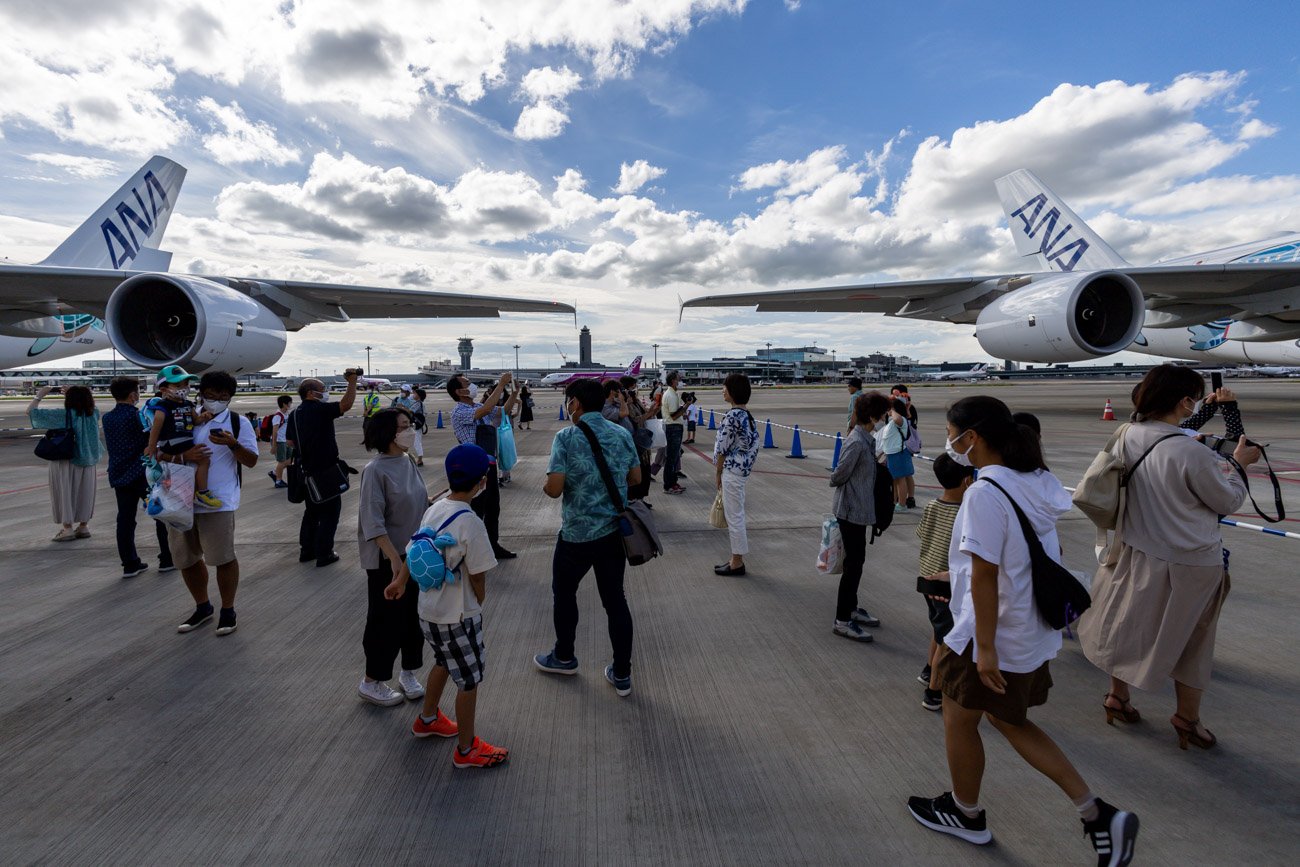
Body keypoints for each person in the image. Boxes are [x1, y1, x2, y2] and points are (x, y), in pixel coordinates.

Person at [907, 396, 1138, 864]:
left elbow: (988, 575)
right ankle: (1094, 813)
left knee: (959, 717)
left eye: (951, 432)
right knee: (1006, 719)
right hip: (1029, 627)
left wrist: (985, 648)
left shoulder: (983, 493)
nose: (949, 442)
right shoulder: (1034, 480)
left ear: (972, 438)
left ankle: (966, 814)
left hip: (988, 632)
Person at [1077, 364, 1257, 751]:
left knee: (1125, 625)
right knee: (1194, 641)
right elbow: (1227, 500)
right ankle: (1187, 720)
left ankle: (1118, 697)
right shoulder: (1189, 452)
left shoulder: (1128, 433)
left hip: (1135, 549)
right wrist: (1240, 466)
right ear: (1185, 401)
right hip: (1190, 561)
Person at [401, 443, 509, 769]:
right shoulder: (471, 522)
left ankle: (428, 718)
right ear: (481, 481)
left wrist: (398, 582)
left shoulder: (435, 507)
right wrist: (479, 601)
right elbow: (478, 574)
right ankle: (466, 750)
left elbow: (415, 546)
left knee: (443, 661)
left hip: (428, 610)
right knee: (469, 679)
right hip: (458, 614)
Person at [534, 379, 641, 697]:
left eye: (569, 402)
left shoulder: (566, 437)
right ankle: (621, 674)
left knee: (565, 595)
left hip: (576, 536)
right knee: (615, 601)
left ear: (576, 404)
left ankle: (564, 657)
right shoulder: (621, 433)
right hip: (612, 534)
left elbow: (554, 489)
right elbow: (635, 478)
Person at [169, 371, 260, 636]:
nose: (217, 400)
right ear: (201, 393)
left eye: (224, 396)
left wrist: (233, 445)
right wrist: (186, 454)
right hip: (181, 498)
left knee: (222, 557)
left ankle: (228, 610)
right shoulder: (184, 416)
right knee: (186, 559)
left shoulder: (237, 422)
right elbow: (158, 449)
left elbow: (251, 461)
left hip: (217, 501)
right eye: (211, 395)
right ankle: (202, 606)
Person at [356, 407, 429, 707]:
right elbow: (373, 522)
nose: (409, 430)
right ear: (388, 432)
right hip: (389, 558)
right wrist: (395, 561)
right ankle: (372, 680)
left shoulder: (407, 461)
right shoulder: (375, 470)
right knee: (385, 620)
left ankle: (408, 672)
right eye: (403, 426)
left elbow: (419, 503)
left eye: (409, 425)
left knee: (414, 617)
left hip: (414, 554)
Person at [914, 454, 975, 710]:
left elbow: (922, 535)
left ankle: (929, 670)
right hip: (946, 585)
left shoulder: (931, 506)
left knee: (938, 631)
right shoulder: (964, 514)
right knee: (948, 639)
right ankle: (934, 692)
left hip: (926, 579)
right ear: (967, 481)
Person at [828, 391, 889, 642]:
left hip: (860, 510)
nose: (885, 418)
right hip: (850, 511)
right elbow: (838, 475)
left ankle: (851, 608)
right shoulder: (856, 442)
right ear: (872, 416)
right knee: (853, 566)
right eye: (883, 414)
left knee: (857, 562)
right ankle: (843, 620)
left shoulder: (867, 438)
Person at [102, 376, 173, 576]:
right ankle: (167, 558)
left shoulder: (107, 418)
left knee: (125, 519)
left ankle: (130, 563)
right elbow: (151, 439)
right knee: (160, 514)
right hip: (143, 473)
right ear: (133, 395)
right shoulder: (138, 415)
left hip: (119, 473)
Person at [287, 370, 359, 567]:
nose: (325, 392)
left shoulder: (294, 414)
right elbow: (345, 405)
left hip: (306, 471)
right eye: (322, 390)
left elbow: (290, 442)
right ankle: (324, 553)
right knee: (330, 512)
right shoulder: (319, 410)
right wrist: (352, 382)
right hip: (325, 471)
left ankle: (307, 550)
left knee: (311, 512)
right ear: (311, 393)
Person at [447, 373, 517, 559]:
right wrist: (501, 385)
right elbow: (486, 410)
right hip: (472, 466)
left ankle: (493, 545)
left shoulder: (479, 406)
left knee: (493, 507)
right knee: (476, 509)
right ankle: (473, 549)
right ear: (459, 391)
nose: (472, 386)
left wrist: (514, 394)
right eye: (467, 383)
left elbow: (503, 412)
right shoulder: (459, 411)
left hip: (489, 463)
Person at [28, 384, 102, 542]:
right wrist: (76, 394)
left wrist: (39, 395)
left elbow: (31, 413)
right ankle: (83, 526)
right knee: (85, 493)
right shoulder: (94, 413)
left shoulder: (62, 415)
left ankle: (67, 528)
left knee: (64, 492)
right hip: (88, 459)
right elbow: (87, 404)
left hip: (66, 460)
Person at [144, 365, 221, 510]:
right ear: (163, 389)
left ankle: (157, 496)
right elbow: (157, 426)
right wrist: (152, 446)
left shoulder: (188, 404)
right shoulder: (163, 406)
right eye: (178, 385)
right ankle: (201, 492)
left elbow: (195, 421)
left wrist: (203, 417)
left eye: (186, 384)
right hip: (172, 443)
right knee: (202, 460)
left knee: (178, 473)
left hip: (185, 442)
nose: (184, 388)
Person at [713, 374, 759, 577]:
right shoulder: (747, 416)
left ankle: (737, 562)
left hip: (731, 471)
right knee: (736, 514)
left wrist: (718, 472)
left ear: (733, 391)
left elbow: (722, 448)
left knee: (734, 517)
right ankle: (735, 559)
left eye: (725, 387)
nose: (722, 390)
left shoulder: (732, 417)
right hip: (741, 471)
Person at [620, 375, 653, 503]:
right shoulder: (624, 404)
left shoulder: (636, 401)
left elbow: (645, 414)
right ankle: (634, 499)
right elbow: (634, 420)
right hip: (635, 441)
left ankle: (641, 498)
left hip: (643, 439)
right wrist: (648, 414)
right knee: (637, 470)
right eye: (632, 387)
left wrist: (653, 410)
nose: (635, 390)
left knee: (645, 470)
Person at [881, 398, 916, 512]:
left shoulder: (901, 420)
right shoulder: (892, 422)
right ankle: (895, 501)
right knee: (895, 480)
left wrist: (893, 409)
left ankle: (902, 504)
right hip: (892, 454)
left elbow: (897, 418)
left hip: (898, 453)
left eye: (890, 408)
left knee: (900, 479)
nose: (888, 411)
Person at [892, 384, 919, 508]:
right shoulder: (903, 408)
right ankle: (905, 498)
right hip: (905, 442)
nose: (895, 397)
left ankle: (905, 499)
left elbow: (908, 422)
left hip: (903, 444)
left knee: (903, 475)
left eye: (897, 394)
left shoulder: (905, 410)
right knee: (906, 474)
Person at [661, 370, 686, 494]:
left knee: (674, 457)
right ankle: (668, 485)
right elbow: (674, 416)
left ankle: (673, 482)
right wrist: (686, 406)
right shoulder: (670, 395)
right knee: (671, 458)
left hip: (674, 427)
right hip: (673, 427)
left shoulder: (673, 393)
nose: (679, 380)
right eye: (677, 379)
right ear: (672, 381)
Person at [392, 385, 425, 466]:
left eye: (415, 394)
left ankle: (419, 459)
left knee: (416, 442)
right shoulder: (398, 399)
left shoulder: (417, 403)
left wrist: (401, 407)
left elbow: (410, 411)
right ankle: (405, 457)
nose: (413, 395)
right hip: (410, 425)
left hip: (414, 425)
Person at [268, 394, 294, 489]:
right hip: (279, 441)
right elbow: (274, 431)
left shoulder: (286, 414)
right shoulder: (278, 416)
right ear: (284, 404)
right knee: (282, 461)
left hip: (285, 440)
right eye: (290, 402)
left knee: (290, 460)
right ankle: (278, 481)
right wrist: (274, 446)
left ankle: (275, 473)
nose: (291, 404)